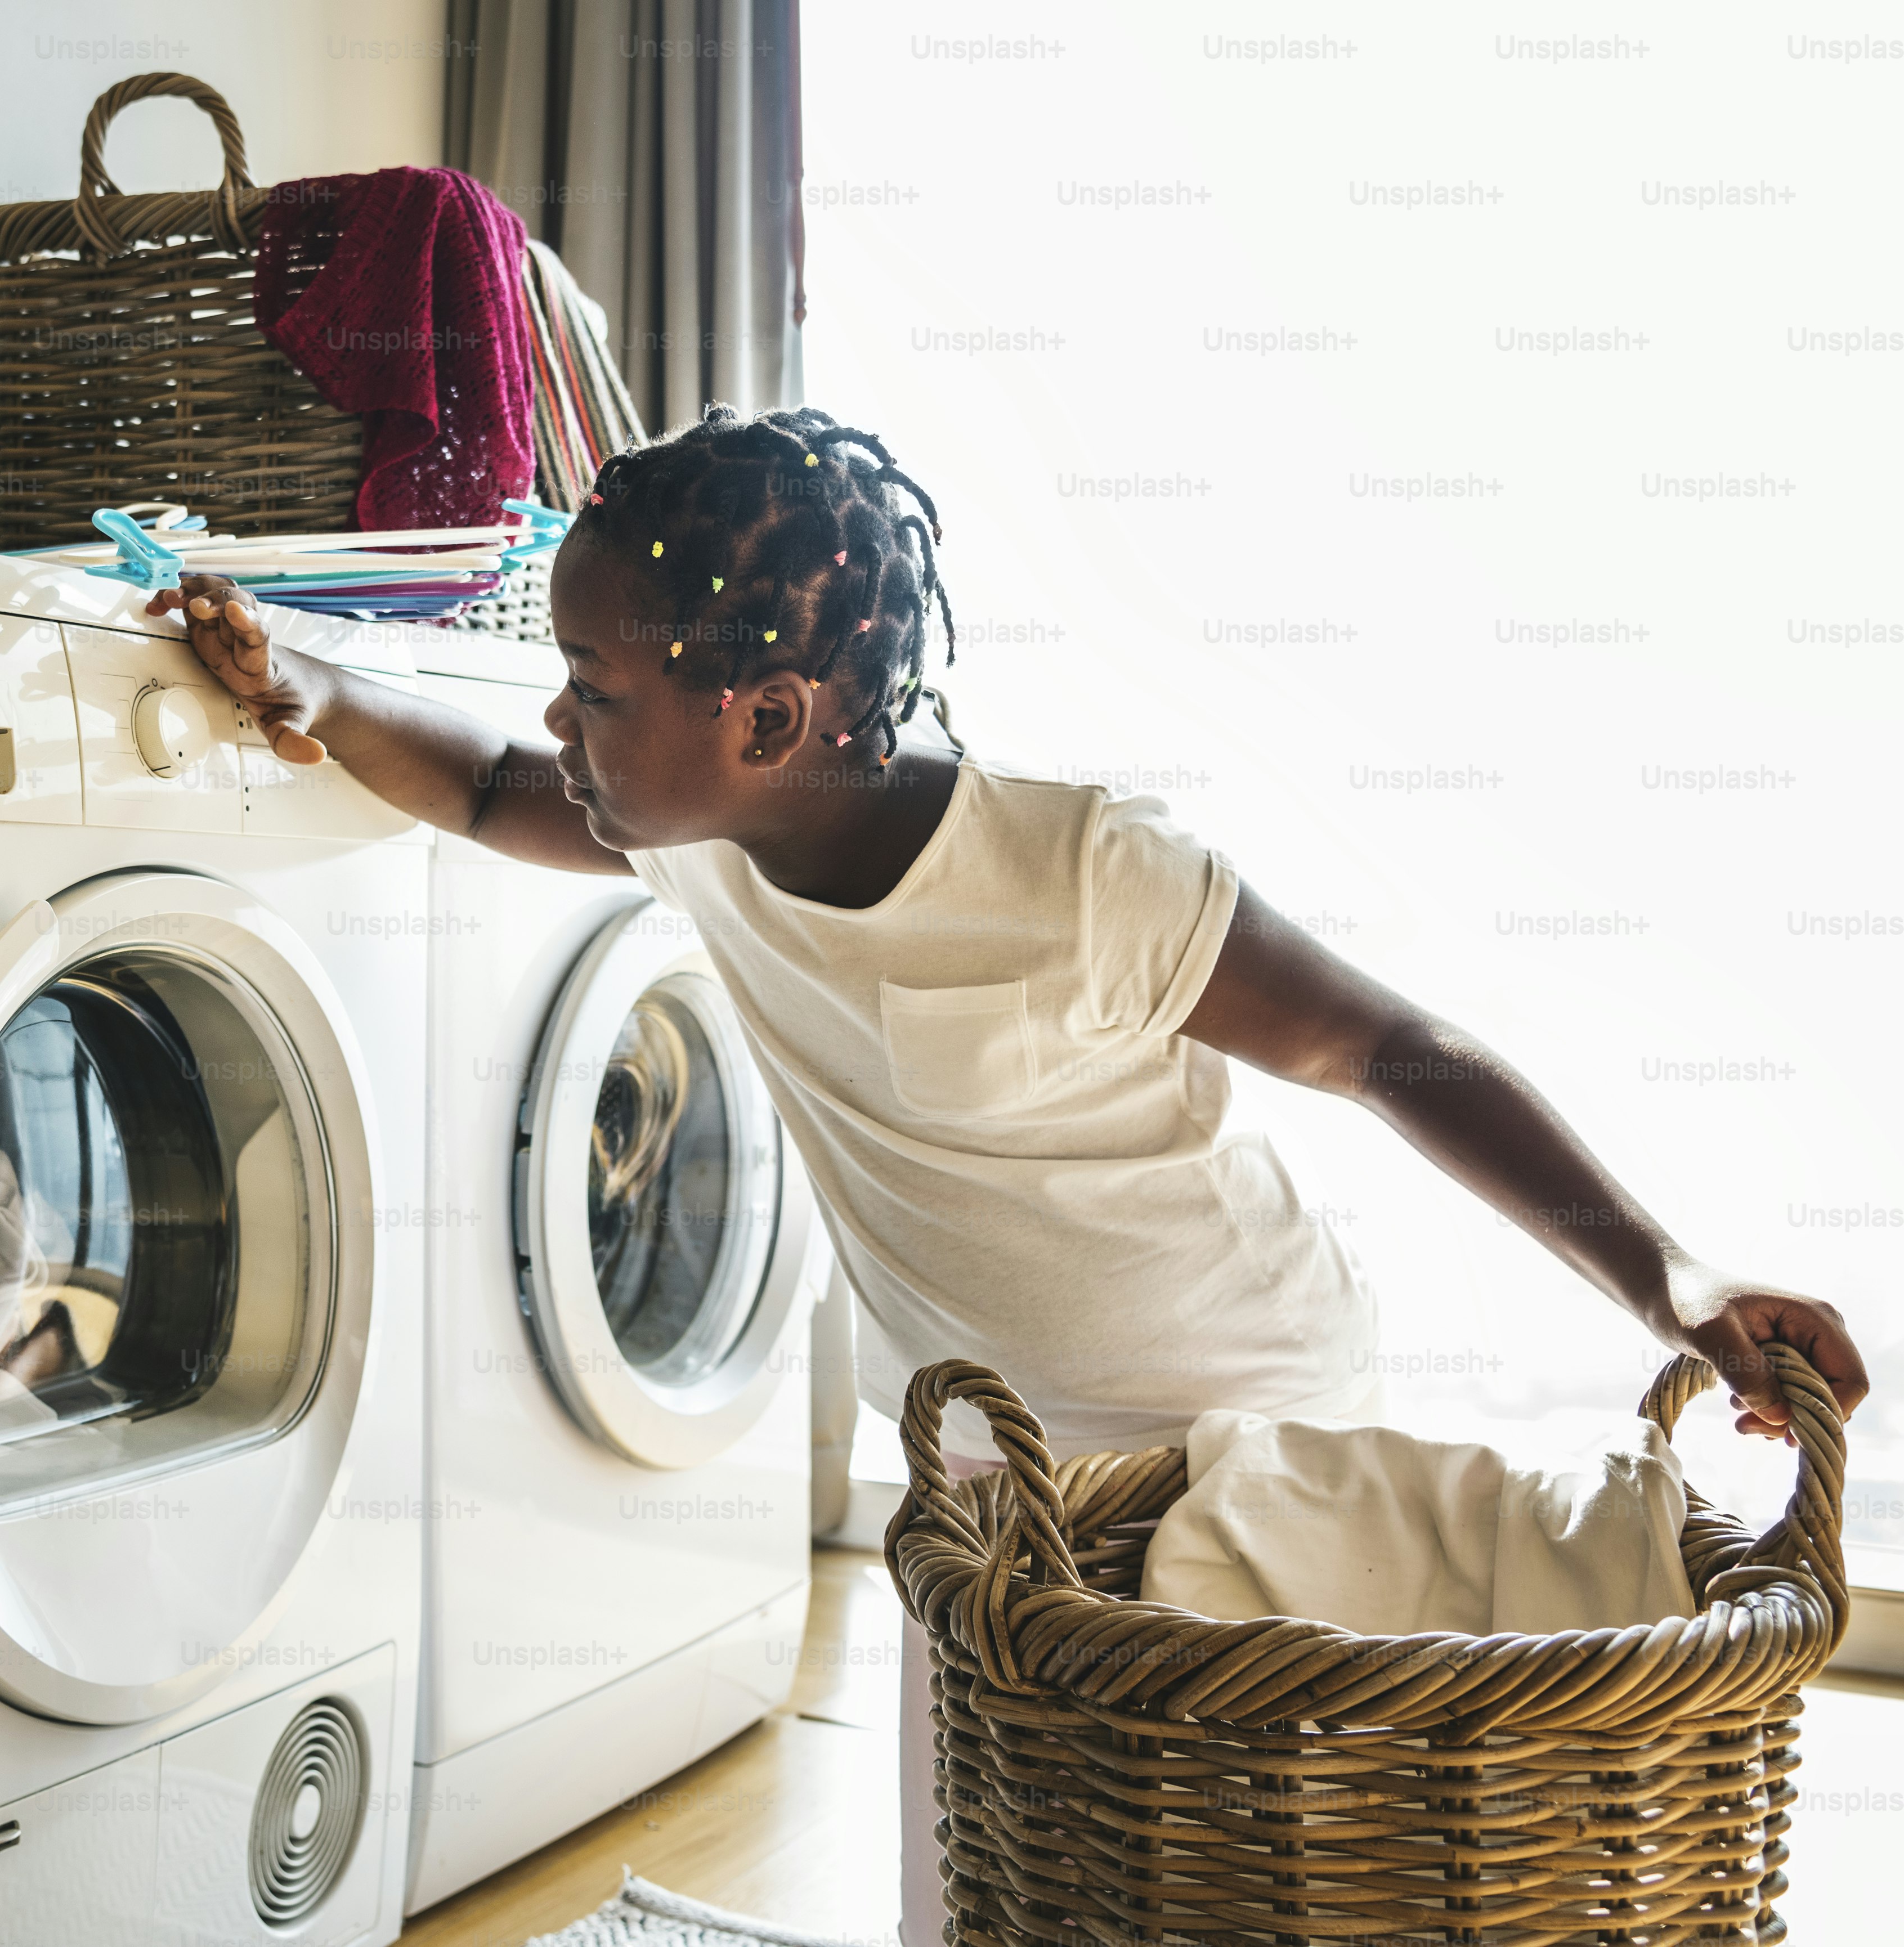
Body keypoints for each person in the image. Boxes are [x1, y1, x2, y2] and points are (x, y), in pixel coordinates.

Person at [146, 403, 1870, 1941]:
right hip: (995, 1477)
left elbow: (1383, 1052)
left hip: (1241, 1436)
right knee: (998, 1876)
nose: (560, 712)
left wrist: (1671, 1280)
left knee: (1250, 1880)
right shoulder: (706, 838)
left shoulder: (1085, 872)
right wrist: (316, 686)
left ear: (764, 714)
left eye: (595, 683)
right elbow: (481, 777)